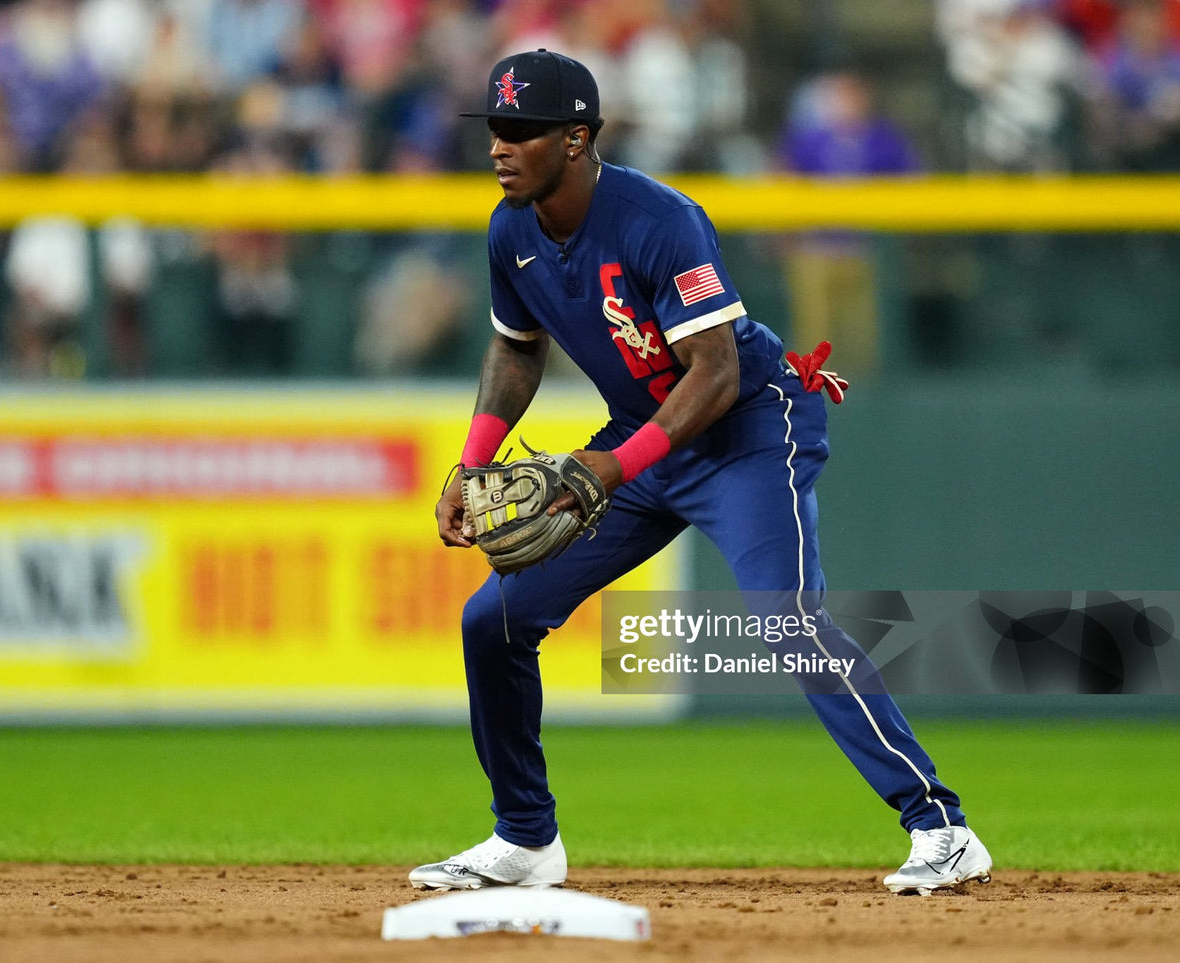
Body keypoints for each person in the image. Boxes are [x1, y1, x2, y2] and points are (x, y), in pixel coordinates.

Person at [409, 49, 993, 897]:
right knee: (492, 621)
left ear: (575, 137)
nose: (500, 146)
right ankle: (524, 839)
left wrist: (609, 467)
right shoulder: (510, 230)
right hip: (644, 440)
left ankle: (941, 826)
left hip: (750, 424)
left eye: (522, 131)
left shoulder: (656, 218)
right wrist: (468, 466)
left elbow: (714, 371)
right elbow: (514, 346)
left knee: (786, 620)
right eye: (494, 128)